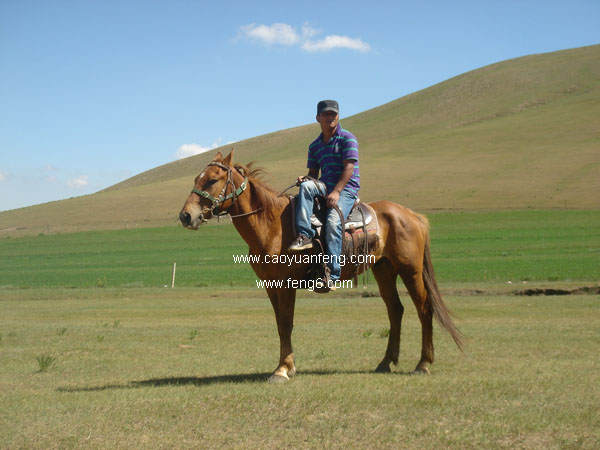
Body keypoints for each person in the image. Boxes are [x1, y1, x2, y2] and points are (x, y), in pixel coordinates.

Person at [288, 99, 360, 289]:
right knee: (306, 187)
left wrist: (336, 192)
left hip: (346, 189)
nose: (330, 117)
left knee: (333, 222)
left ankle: (333, 275)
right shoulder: (314, 146)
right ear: (318, 117)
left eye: (333, 114)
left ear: (338, 116)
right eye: (326, 114)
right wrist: (305, 179)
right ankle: (304, 235)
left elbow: (349, 167)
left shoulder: (347, 138)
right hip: (325, 185)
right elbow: (313, 175)